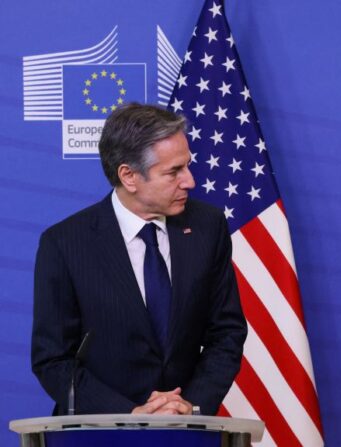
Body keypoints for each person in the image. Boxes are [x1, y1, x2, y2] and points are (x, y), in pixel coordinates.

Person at [32, 103, 247, 416]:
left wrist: (189, 406)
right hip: (98, 434)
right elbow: (52, 359)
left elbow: (226, 333)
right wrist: (128, 415)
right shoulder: (65, 244)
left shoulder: (207, 226)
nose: (189, 181)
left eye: (186, 166)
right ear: (129, 176)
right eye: (174, 172)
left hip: (184, 431)